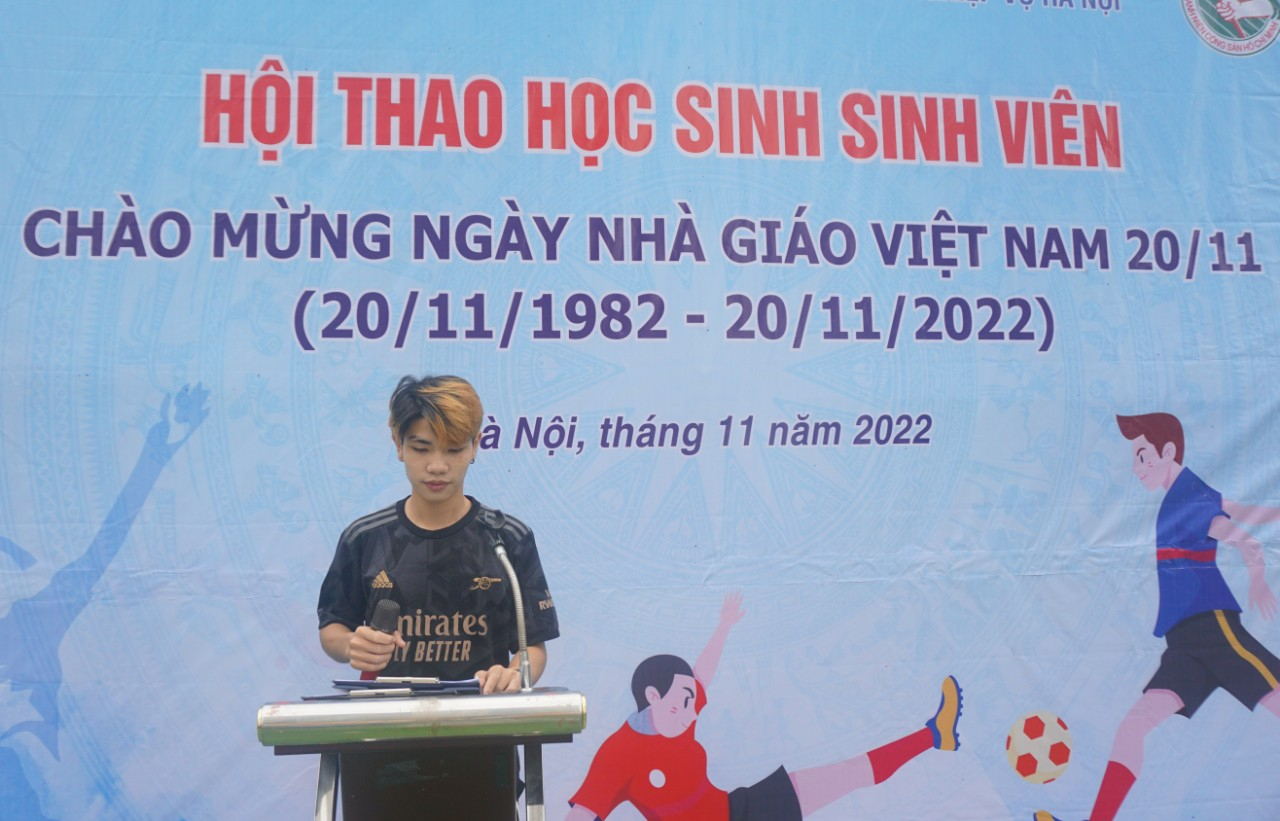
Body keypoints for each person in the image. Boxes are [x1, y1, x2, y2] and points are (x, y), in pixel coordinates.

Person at [1036, 413, 1280, 821]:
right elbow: (1240, 510)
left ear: (1168, 451)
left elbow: (1242, 537)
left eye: (1142, 456)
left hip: (1213, 628)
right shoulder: (1187, 492)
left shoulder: (1188, 500)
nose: (1136, 468)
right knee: (1133, 727)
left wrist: (1257, 580)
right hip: (1182, 641)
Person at [566, 592, 962, 820]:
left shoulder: (677, 719)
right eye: (685, 701)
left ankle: (934, 735)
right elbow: (582, 813)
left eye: (693, 701)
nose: (693, 710)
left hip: (740, 810)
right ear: (653, 697)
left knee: (847, 773)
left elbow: (702, 674)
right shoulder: (618, 753)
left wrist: (724, 626)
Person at [317, 373, 559, 693]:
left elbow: (534, 647)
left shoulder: (508, 539)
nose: (437, 466)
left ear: (475, 446)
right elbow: (332, 627)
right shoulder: (365, 538)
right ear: (398, 445)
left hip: (483, 716)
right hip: (386, 716)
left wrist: (513, 675)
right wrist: (351, 645)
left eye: (454, 450)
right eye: (422, 449)